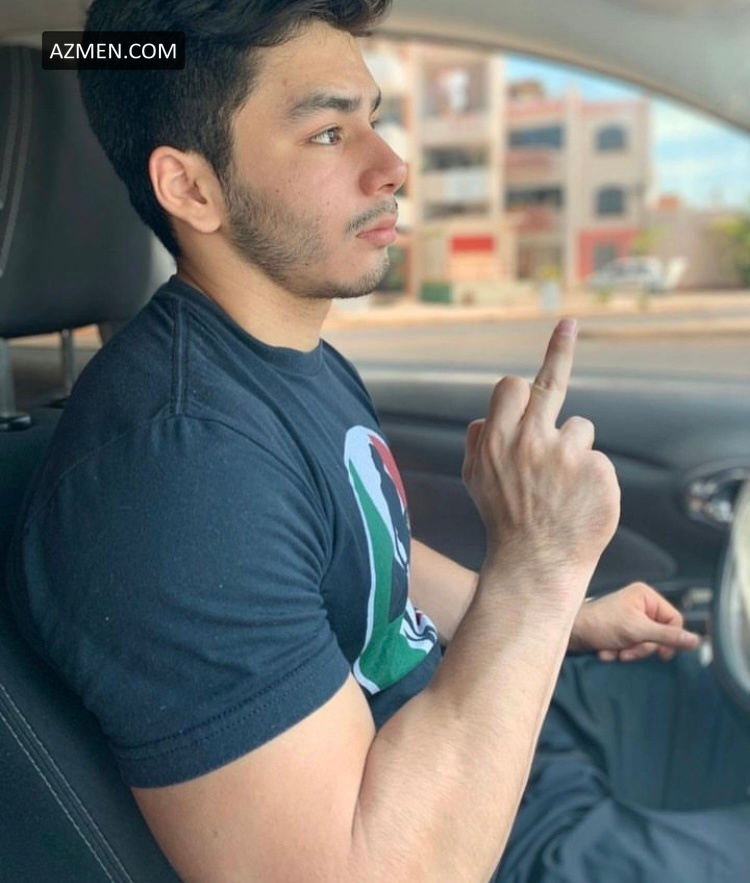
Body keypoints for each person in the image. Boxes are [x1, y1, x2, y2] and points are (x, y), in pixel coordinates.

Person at [7, 1, 750, 881]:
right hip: (470, 833)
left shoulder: (285, 362)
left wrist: (565, 618)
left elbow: (371, 564)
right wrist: (539, 569)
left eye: (372, 119)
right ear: (192, 189)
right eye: (329, 132)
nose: (392, 165)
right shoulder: (174, 474)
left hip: (493, 741)